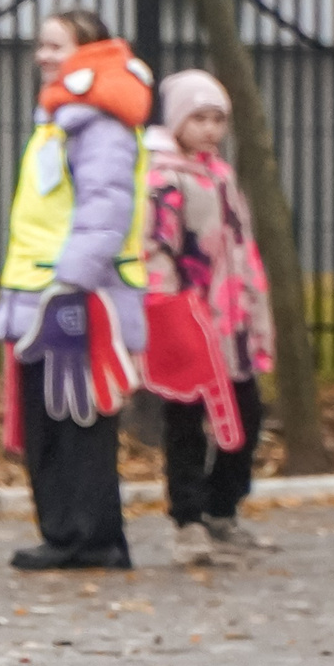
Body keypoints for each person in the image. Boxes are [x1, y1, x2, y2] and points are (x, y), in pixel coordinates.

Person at [0, 8, 153, 572]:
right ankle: (69, 532)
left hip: (70, 301)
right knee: (51, 422)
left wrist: (71, 281)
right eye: (41, 45)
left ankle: (86, 536)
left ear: (88, 53)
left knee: (76, 421)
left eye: (55, 46)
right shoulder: (64, 122)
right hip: (47, 296)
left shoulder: (98, 126)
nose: (43, 56)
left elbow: (105, 210)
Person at [141, 69, 276, 564]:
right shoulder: (165, 177)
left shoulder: (221, 174)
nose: (210, 129)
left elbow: (241, 246)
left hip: (231, 318)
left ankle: (223, 509)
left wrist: (254, 308)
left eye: (218, 119)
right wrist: (169, 308)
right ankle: (189, 520)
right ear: (178, 120)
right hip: (191, 317)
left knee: (246, 415)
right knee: (185, 421)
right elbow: (157, 247)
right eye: (199, 118)